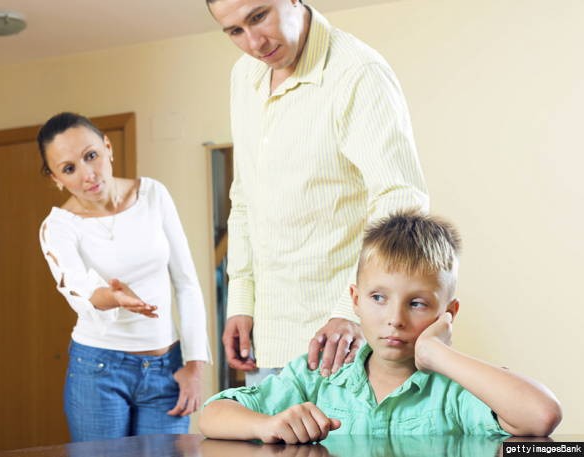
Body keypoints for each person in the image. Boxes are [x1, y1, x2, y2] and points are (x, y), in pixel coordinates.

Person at [206, 0, 430, 383]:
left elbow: (402, 200)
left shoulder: (359, 72)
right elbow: (245, 198)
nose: (254, 43)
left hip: (344, 342)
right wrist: (241, 301)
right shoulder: (244, 76)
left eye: (259, 16)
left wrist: (352, 310)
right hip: (271, 341)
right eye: (235, 31)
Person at [199, 211, 562, 443]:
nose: (395, 319)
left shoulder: (456, 389)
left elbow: (541, 415)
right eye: (378, 298)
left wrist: (437, 353)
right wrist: (267, 425)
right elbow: (212, 415)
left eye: (417, 303)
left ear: (448, 312)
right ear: (354, 299)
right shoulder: (319, 376)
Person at [36, 112, 211, 441]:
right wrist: (112, 297)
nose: (88, 175)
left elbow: (187, 284)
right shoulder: (58, 227)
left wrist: (194, 366)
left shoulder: (154, 195)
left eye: (91, 156)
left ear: (107, 147)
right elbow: (80, 292)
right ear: (55, 178)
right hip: (98, 370)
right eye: (69, 168)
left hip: (166, 369)